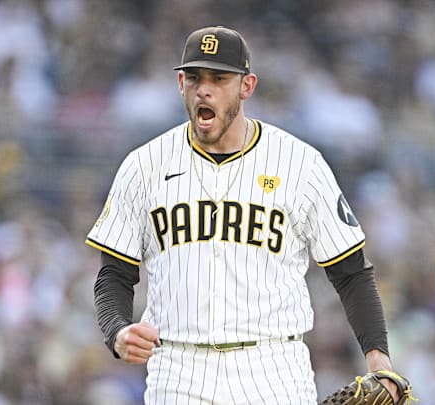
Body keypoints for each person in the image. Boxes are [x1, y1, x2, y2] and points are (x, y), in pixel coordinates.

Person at [87, 25, 398, 404]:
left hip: (272, 365)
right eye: (194, 78)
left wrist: (378, 358)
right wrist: (117, 331)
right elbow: (114, 274)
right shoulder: (144, 166)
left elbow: (351, 273)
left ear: (246, 86)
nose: (204, 89)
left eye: (218, 78)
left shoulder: (300, 164)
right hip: (179, 367)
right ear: (180, 84)